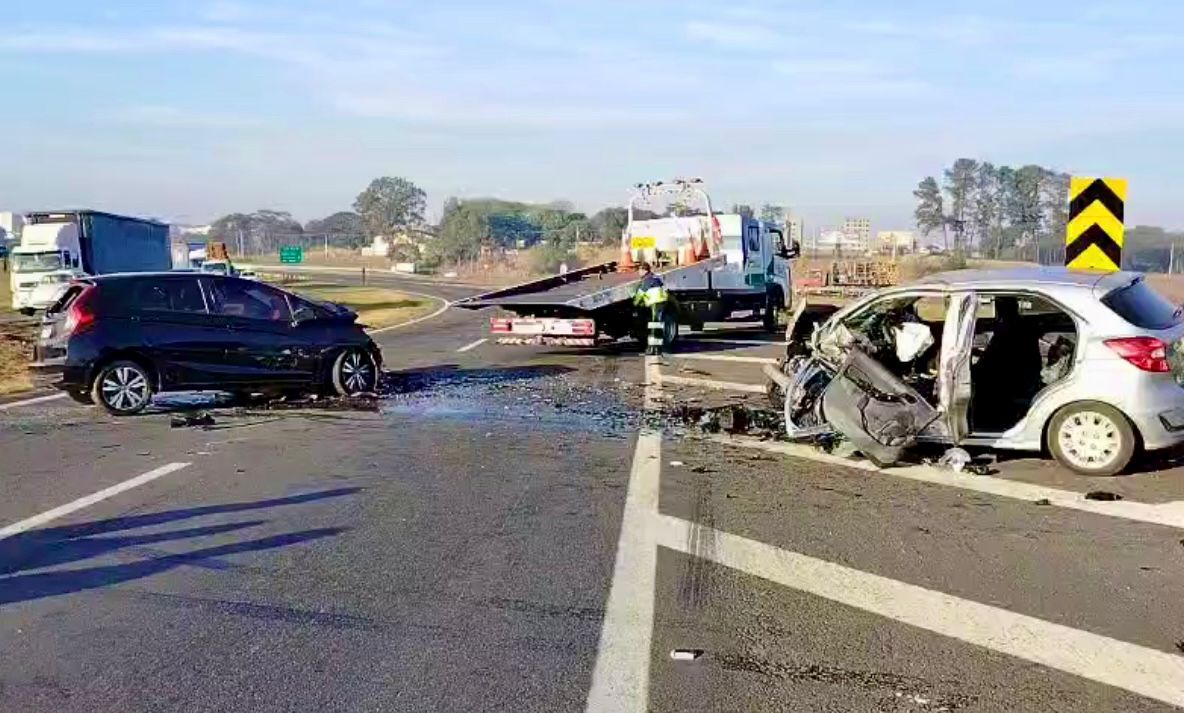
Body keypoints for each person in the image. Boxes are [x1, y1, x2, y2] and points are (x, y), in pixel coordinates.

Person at [633, 262, 669, 355]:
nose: (639, 272)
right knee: (658, 326)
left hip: (655, 304)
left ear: (644, 270)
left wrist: (635, 304)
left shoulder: (646, 281)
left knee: (653, 327)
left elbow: (639, 295)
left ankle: (652, 349)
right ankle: (657, 349)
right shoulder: (655, 278)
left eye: (640, 270)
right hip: (662, 303)